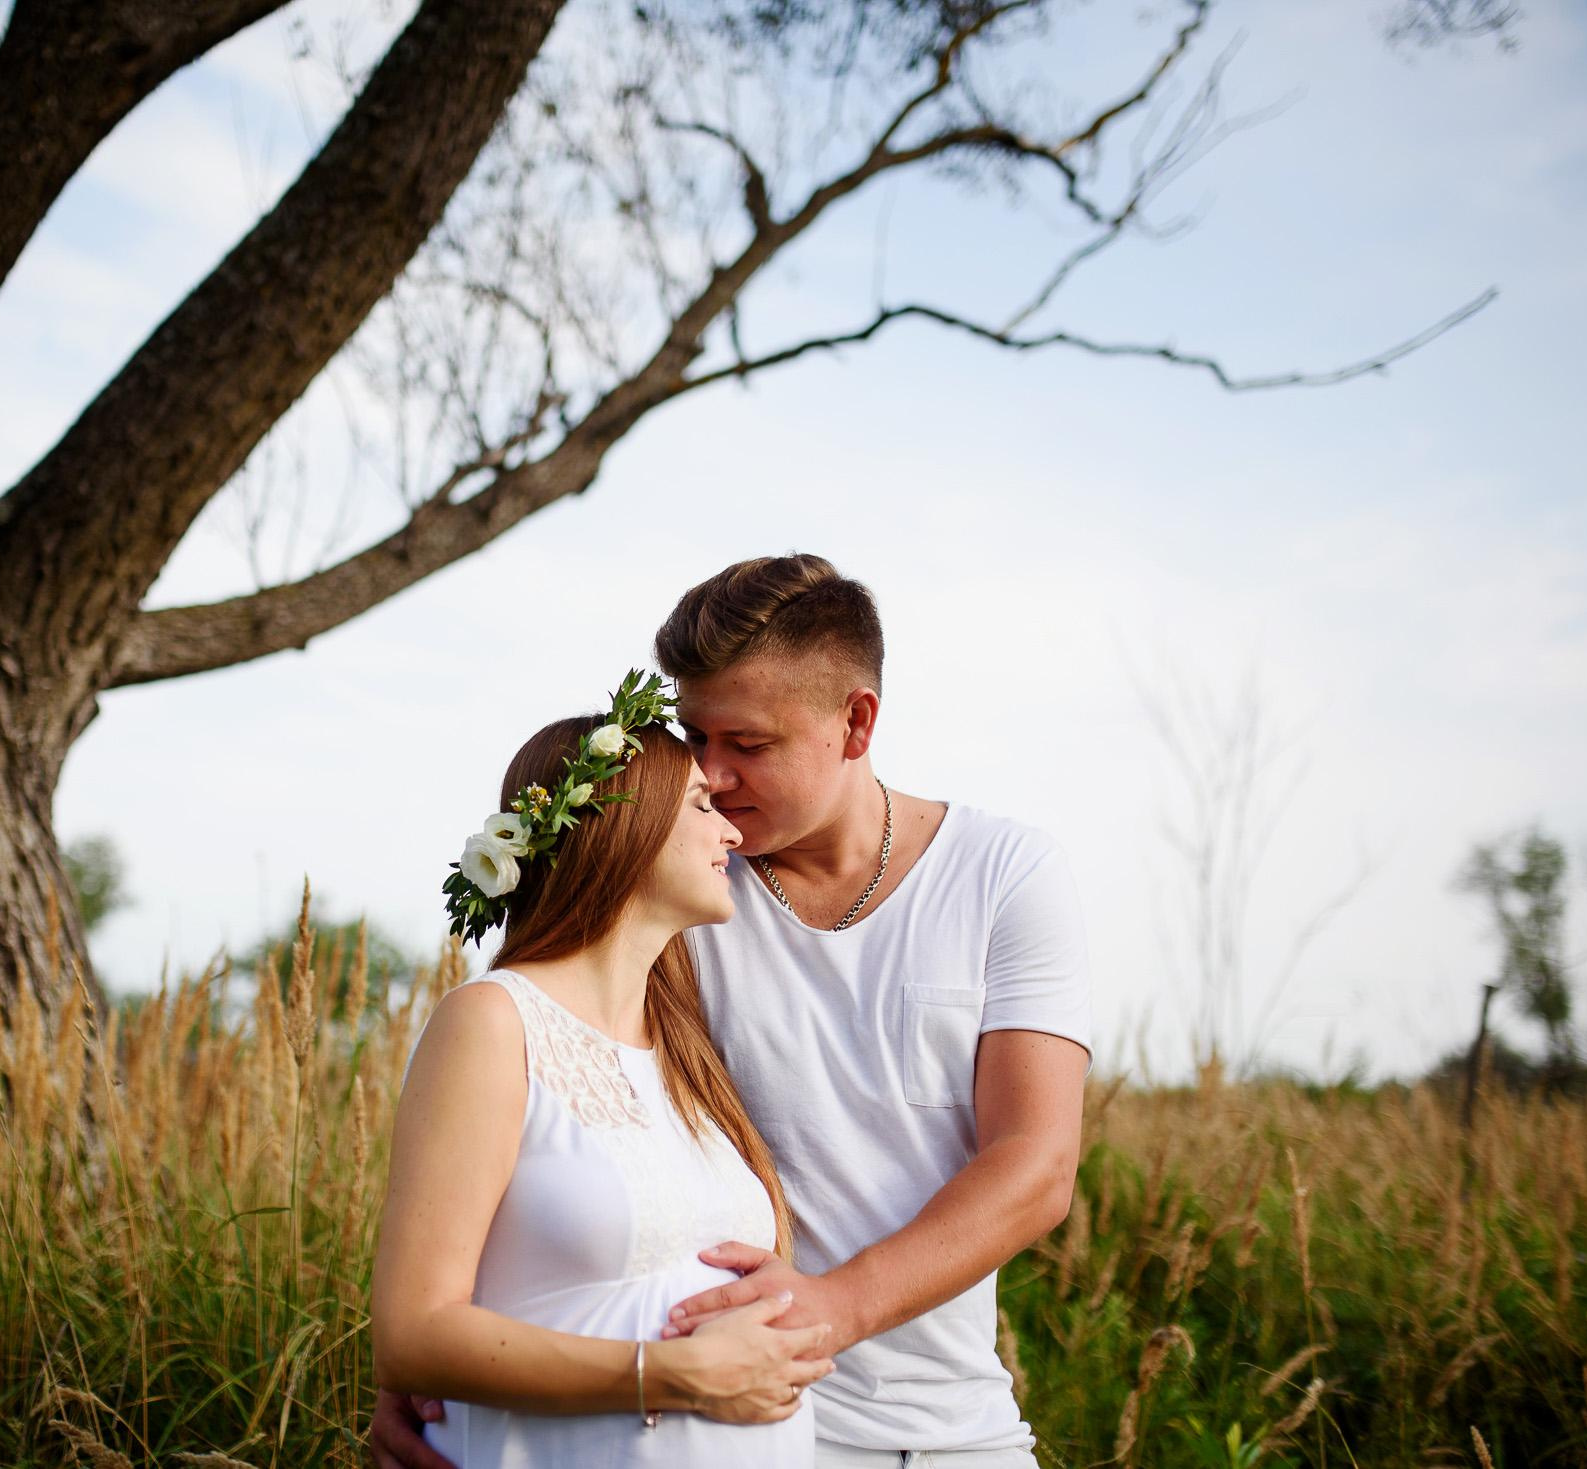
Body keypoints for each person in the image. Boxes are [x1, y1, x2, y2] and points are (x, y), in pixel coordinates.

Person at [371, 555, 1091, 1469]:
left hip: (951, 1426)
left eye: (746, 744)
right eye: (694, 735)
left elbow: (1036, 1163)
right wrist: (435, 1363)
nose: (710, 773)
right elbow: (534, 1109)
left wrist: (833, 1305)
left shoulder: (1003, 876)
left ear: (855, 722)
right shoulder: (686, 892)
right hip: (721, 1432)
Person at [370, 672, 832, 1466]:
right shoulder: (492, 1023)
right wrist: (675, 1375)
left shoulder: (689, 1051)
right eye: (699, 805)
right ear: (622, 825)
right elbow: (413, 1335)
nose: (728, 831)